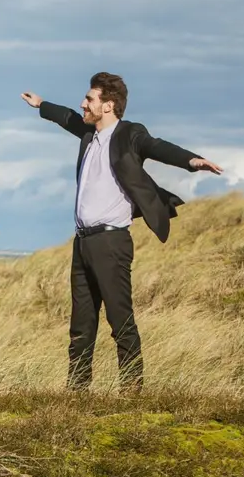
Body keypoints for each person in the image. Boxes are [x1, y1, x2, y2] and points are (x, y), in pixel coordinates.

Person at [20, 75, 222, 393]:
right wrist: (41, 105)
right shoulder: (89, 133)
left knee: (119, 317)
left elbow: (156, 147)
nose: (83, 104)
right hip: (83, 241)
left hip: (112, 241)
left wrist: (191, 161)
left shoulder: (129, 134)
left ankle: (131, 389)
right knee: (81, 323)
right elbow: (67, 118)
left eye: (90, 99)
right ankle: (77, 389)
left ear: (108, 105)